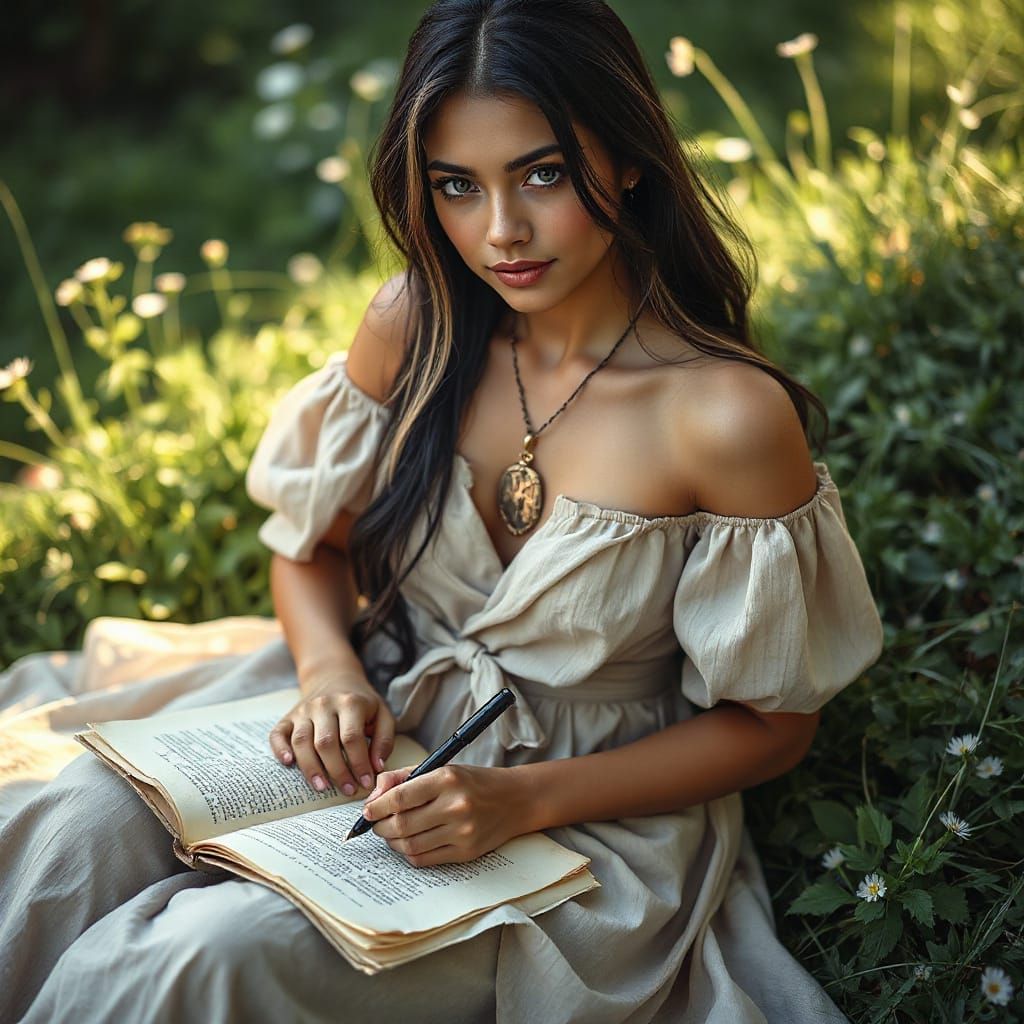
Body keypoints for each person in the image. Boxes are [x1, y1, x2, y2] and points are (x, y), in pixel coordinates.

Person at [0, 1, 885, 1021]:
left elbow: (772, 726)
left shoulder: (721, 416)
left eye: (542, 173)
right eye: (457, 186)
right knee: (67, 826)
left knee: (200, 956)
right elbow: (309, 547)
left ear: (630, 158)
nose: (499, 231)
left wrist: (520, 800)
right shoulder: (414, 323)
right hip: (367, 720)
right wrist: (329, 674)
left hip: (574, 805)